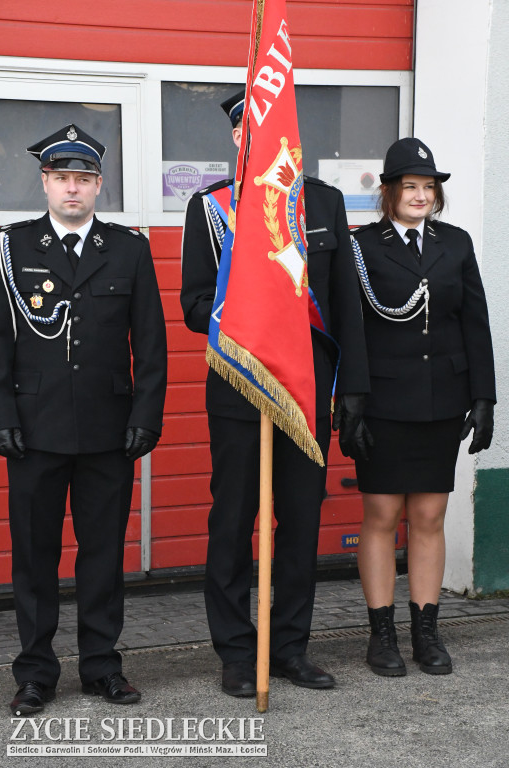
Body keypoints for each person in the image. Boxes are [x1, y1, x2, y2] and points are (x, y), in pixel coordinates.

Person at [180, 91, 370, 697]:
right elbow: (191, 304)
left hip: (305, 389)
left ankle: (288, 647)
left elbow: (345, 309)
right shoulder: (211, 208)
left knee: (300, 521)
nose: (253, 139)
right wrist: (253, 311)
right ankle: (238, 654)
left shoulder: (324, 202)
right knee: (233, 520)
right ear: (237, 139)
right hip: (238, 389)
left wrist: (354, 393)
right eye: (245, 132)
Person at [0, 124, 167, 714]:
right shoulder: (11, 247)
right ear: (45, 182)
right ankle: (36, 673)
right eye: (63, 178)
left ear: (99, 185)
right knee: (35, 555)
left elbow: (150, 343)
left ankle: (101, 667)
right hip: (34, 427)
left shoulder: (129, 249)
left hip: (107, 429)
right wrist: (1, 414)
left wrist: (147, 415)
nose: (73, 189)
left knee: (102, 554)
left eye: (85, 179)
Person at [349, 137, 496, 677]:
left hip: (442, 398)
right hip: (385, 400)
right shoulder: (361, 246)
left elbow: (473, 322)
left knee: (430, 514)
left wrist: (484, 397)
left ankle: (426, 633)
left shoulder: (454, 244)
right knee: (383, 514)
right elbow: (352, 327)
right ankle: (381, 633)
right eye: (409, 186)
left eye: (428, 187)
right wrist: (353, 400)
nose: (420, 195)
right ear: (388, 193)